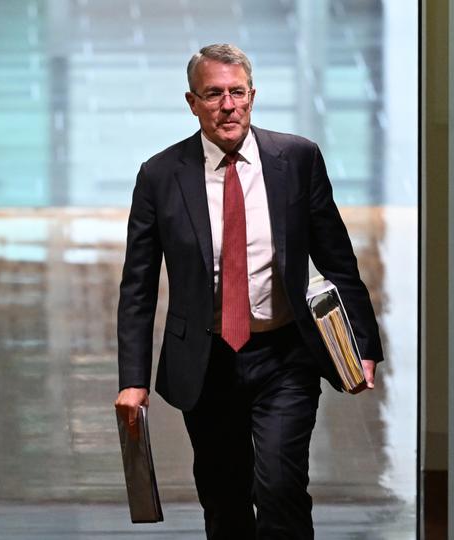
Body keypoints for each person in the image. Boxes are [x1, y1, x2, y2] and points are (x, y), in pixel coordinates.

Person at [114, 43, 384, 539]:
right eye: (214, 94)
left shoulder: (297, 159)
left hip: (285, 354)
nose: (228, 105)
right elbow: (138, 286)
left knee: (281, 486)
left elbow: (338, 261)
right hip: (205, 360)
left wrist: (361, 345)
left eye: (237, 92)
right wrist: (133, 380)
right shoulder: (160, 176)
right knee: (224, 498)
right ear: (192, 103)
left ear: (253, 96)